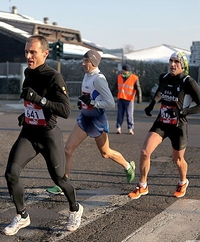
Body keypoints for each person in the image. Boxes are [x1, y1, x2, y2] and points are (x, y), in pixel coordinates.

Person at [2, 35, 83, 236]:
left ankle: (75, 208)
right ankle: (22, 216)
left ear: (45, 54)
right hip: (29, 132)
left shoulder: (54, 77)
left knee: (59, 180)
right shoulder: (28, 73)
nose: (28, 56)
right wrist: (26, 113)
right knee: (11, 173)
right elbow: (32, 102)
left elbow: (65, 110)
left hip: (48, 135)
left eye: (33, 52)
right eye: (26, 52)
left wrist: (40, 100)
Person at [46, 49, 136, 195]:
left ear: (93, 62)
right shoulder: (87, 76)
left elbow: (110, 103)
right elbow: (88, 96)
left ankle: (127, 166)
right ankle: (63, 184)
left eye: (86, 61)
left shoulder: (99, 79)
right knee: (68, 149)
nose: (83, 63)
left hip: (97, 120)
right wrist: (83, 103)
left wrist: (93, 103)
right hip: (85, 118)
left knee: (105, 153)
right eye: (83, 60)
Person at [128, 51, 200, 199]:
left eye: (176, 61)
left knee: (177, 159)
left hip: (178, 125)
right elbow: (160, 91)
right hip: (162, 122)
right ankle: (143, 185)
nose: (172, 64)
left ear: (182, 65)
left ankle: (183, 181)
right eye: (171, 61)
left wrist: (184, 112)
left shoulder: (188, 82)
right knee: (145, 152)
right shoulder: (163, 77)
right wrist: (151, 105)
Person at [114, 64, 142, 135]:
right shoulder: (119, 77)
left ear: (128, 71)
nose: (123, 71)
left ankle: (130, 128)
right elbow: (115, 86)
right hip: (120, 98)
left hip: (129, 99)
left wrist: (139, 98)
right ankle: (118, 127)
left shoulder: (134, 78)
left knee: (129, 115)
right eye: (123, 70)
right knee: (119, 114)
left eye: (124, 70)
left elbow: (138, 89)